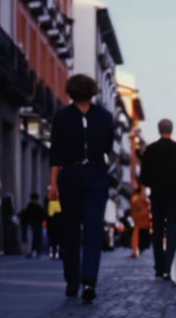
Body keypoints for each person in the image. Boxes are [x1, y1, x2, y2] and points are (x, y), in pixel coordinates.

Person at [48, 74, 114, 302]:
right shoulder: (72, 117)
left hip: (82, 175)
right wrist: (54, 182)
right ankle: (81, 280)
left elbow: (55, 153)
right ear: (92, 91)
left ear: (71, 91)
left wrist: (52, 183)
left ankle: (81, 281)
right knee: (81, 230)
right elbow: (108, 148)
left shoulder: (70, 116)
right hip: (85, 175)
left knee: (80, 229)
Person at [140, 118, 176, 280]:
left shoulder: (150, 150)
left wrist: (152, 183)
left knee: (157, 231)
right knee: (172, 231)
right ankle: (169, 267)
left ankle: (159, 266)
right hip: (174, 195)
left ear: (158, 130)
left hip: (157, 194)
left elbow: (143, 177)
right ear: (171, 129)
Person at [18, 193, 46, 258]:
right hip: (36, 226)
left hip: (32, 226)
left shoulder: (30, 207)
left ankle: (33, 251)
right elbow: (44, 216)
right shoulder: (38, 208)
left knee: (33, 239)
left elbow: (25, 215)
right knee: (35, 239)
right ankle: (35, 251)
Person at [128, 188, 151, 259]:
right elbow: (134, 210)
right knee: (137, 235)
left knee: (140, 236)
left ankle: (137, 250)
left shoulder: (144, 200)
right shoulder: (137, 200)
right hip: (139, 221)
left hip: (142, 222)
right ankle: (136, 250)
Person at [45, 194, 62, 260]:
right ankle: (59, 253)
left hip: (53, 227)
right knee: (59, 242)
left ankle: (53, 254)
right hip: (58, 227)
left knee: (53, 242)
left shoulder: (50, 205)